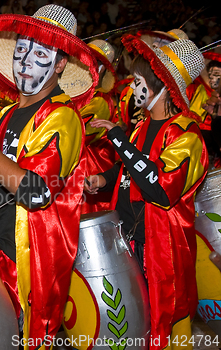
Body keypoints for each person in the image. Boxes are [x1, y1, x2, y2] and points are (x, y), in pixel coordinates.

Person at [0, 5, 98, 346]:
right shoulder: (11, 111)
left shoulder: (63, 117)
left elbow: (37, 192)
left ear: (59, 65)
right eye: (21, 49)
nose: (25, 61)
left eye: (40, 53)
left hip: (22, 264)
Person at [85, 36, 208, 349]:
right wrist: (104, 179)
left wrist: (118, 139)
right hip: (128, 240)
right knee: (137, 319)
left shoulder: (186, 134)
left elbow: (160, 188)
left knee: (167, 320)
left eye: (138, 82)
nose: (131, 88)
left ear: (161, 88)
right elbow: (130, 170)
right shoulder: (140, 128)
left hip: (160, 247)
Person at [79, 39, 119, 214]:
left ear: (101, 69)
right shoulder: (81, 96)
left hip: (92, 169)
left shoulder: (100, 101)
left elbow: (80, 134)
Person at [188, 52, 221, 166]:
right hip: (204, 131)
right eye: (210, 74)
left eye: (216, 74)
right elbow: (194, 113)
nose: (212, 77)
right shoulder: (202, 90)